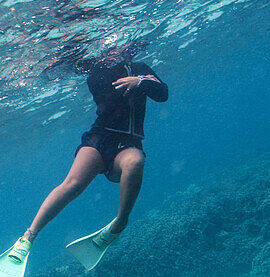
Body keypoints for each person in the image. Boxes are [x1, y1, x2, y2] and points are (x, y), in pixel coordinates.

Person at [9, 45, 168, 265]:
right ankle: (27, 237)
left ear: (128, 49)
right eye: (107, 49)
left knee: (136, 162)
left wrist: (140, 81)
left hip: (128, 143)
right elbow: (73, 67)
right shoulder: (95, 68)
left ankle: (119, 224)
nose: (112, 52)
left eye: (118, 48)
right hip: (100, 136)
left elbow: (163, 93)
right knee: (72, 184)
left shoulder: (140, 68)